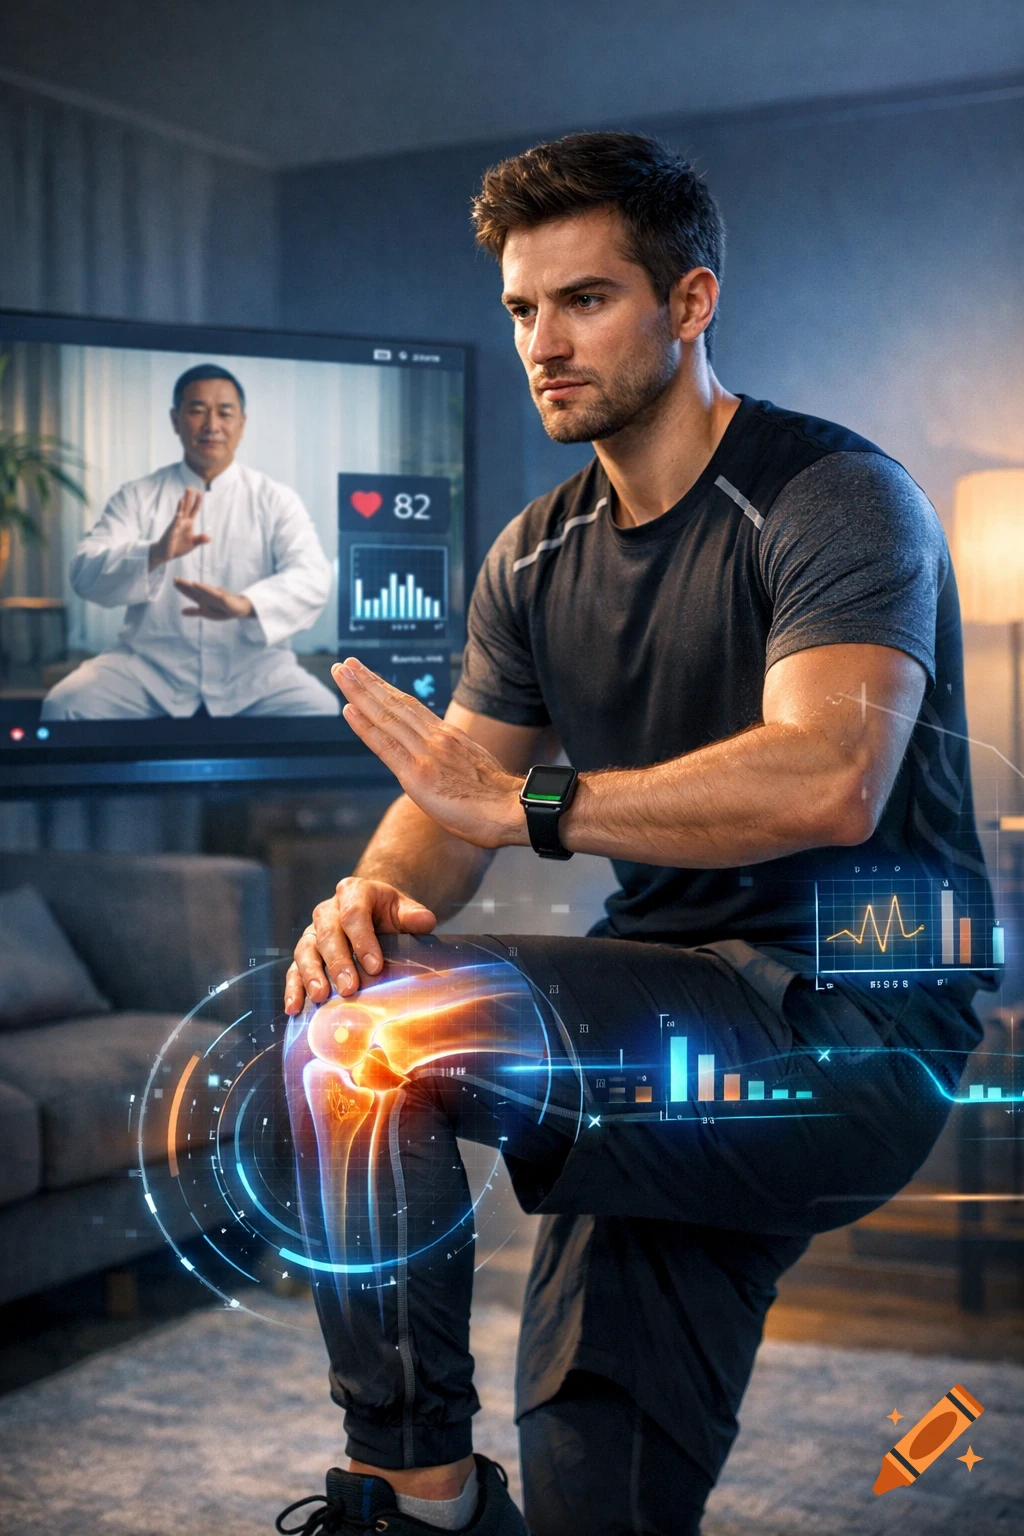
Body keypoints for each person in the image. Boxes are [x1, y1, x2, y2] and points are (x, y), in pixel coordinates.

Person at [275, 133, 993, 1536]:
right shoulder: (535, 555)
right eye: (521, 309)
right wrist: (364, 900)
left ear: (690, 301)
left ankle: (412, 1499)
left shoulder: (835, 499)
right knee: (597, 1497)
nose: (543, 343)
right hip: (662, 1021)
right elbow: (453, 802)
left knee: (374, 1037)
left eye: (586, 299)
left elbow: (830, 776)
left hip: (851, 1024)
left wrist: (534, 809)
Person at [42, 363, 339, 720]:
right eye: (197, 410)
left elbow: (313, 575)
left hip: (254, 674)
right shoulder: (138, 495)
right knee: (65, 706)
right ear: (175, 419)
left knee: (322, 711)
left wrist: (246, 604)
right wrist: (154, 553)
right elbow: (84, 572)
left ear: (242, 423)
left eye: (224, 413)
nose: (212, 425)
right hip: (148, 670)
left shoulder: (275, 499)